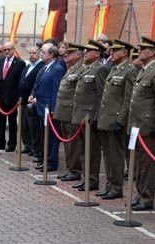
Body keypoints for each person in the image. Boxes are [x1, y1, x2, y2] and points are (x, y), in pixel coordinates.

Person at [128, 37, 155, 211]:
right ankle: (140, 194)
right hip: (138, 124)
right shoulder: (143, 70)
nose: (140, 51)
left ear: (152, 52)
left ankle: (147, 198)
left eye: (144, 49)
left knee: (146, 164)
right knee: (139, 163)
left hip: (148, 126)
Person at [97, 39, 137, 200]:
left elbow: (128, 100)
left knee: (116, 156)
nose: (111, 53)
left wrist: (120, 120)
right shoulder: (114, 69)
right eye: (111, 50)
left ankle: (116, 187)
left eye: (115, 50)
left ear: (125, 53)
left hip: (115, 121)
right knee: (107, 156)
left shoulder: (130, 70)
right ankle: (109, 184)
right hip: (106, 119)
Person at [71, 40, 110, 192]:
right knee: (83, 149)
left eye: (89, 51)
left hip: (90, 116)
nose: (85, 53)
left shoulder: (99, 69)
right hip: (81, 115)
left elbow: (101, 95)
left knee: (92, 151)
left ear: (97, 54)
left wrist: (96, 115)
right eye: (85, 50)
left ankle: (92, 180)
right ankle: (85, 178)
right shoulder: (86, 68)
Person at [53, 43, 86, 182]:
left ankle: (75, 170)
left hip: (72, 112)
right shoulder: (71, 68)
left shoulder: (81, 69)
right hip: (64, 112)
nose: (66, 55)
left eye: (70, 53)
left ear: (78, 55)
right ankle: (70, 168)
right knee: (67, 143)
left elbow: (79, 93)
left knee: (74, 144)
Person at [30, 43, 65, 172]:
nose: (41, 55)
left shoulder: (57, 68)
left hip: (50, 109)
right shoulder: (46, 67)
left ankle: (51, 161)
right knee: (45, 136)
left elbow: (56, 90)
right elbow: (40, 85)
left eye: (44, 53)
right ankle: (45, 159)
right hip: (41, 107)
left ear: (51, 54)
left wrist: (54, 109)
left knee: (51, 137)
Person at [0, 41, 25, 152]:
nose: (7, 51)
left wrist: (18, 97)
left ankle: (12, 144)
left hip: (12, 99)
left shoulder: (20, 63)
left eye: (9, 49)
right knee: (0, 121)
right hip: (0, 98)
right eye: (5, 49)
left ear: (13, 49)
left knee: (12, 123)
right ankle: (1, 142)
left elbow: (20, 82)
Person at [18, 46, 44, 156]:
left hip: (33, 101)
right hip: (24, 100)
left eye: (34, 53)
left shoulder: (41, 66)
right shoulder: (28, 66)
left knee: (34, 126)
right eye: (30, 53)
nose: (31, 55)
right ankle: (27, 145)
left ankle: (35, 147)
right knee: (25, 125)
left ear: (39, 54)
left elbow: (36, 84)